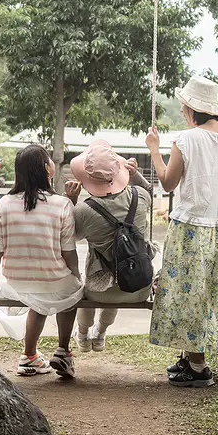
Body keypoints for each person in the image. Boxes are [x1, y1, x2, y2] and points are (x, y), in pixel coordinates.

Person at [147, 74, 218, 387]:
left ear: (191, 108)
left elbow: (168, 183)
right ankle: (188, 358)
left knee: (187, 296)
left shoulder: (185, 140)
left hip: (188, 229)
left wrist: (154, 150)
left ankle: (197, 366)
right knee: (211, 294)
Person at [0, 144, 83, 378]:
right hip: (52, 281)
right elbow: (68, 251)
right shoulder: (62, 204)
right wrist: (76, 275)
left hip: (16, 282)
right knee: (72, 291)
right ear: (47, 169)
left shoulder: (5, 203)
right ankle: (63, 351)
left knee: (40, 295)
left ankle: (29, 356)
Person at [64, 140, 153, 352]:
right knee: (117, 284)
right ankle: (101, 334)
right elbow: (147, 190)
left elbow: (69, 235)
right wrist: (136, 175)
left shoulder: (84, 211)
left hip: (99, 291)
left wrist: (70, 200)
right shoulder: (140, 197)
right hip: (138, 286)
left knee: (90, 290)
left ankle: (83, 335)